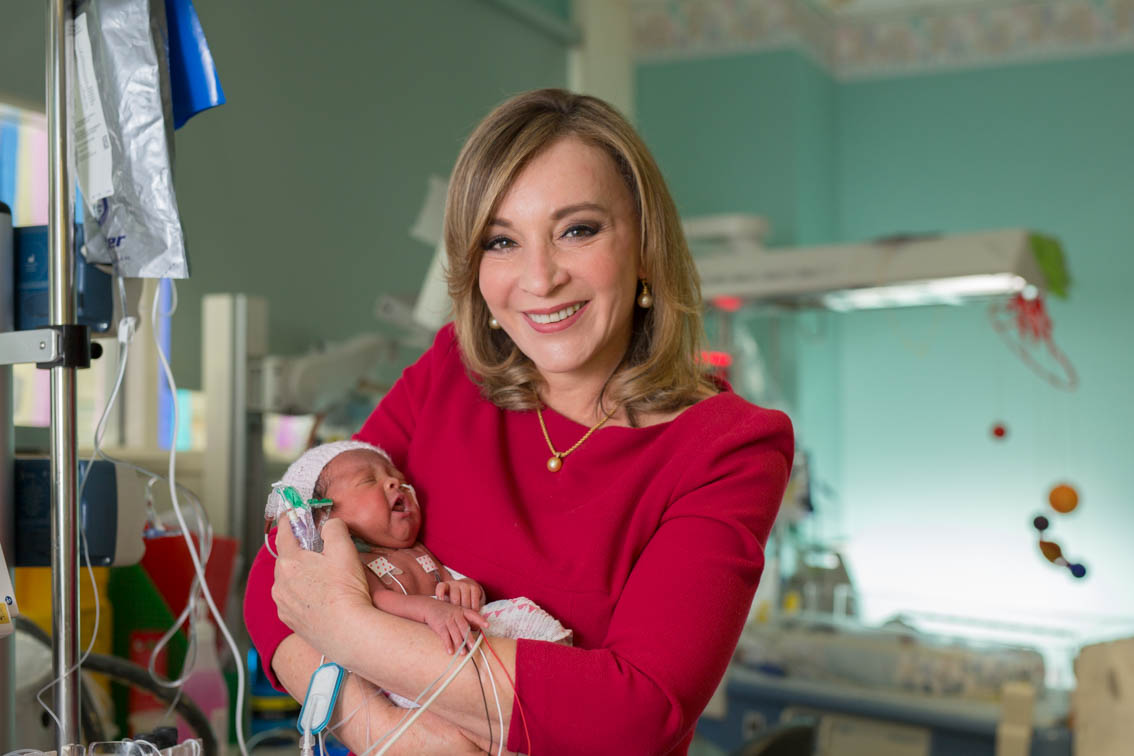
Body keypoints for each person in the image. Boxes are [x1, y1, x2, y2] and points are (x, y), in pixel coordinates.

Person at [244, 88, 793, 755]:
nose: (539, 278)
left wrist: (348, 628)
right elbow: (275, 579)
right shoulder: (450, 374)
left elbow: (634, 717)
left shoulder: (728, 449)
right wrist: (395, 740)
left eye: (577, 230)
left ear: (646, 245)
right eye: (502, 241)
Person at [262, 439, 571, 658]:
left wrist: (463, 587)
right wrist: (429, 610)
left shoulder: (419, 549)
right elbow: (375, 601)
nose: (395, 483)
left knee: (518, 614)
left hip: (455, 631)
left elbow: (446, 579)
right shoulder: (353, 561)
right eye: (368, 480)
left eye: (399, 479)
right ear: (324, 514)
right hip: (408, 652)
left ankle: (552, 663)